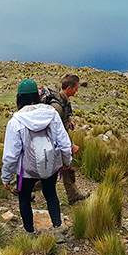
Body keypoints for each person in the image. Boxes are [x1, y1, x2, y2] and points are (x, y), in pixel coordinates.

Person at [1, 79, 72, 237]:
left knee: (24, 199)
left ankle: (29, 232)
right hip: (51, 165)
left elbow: (11, 156)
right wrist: (66, 161)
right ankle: (58, 228)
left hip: (26, 171)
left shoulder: (16, 121)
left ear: (19, 98)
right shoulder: (51, 113)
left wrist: (6, 177)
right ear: (37, 96)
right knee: (51, 193)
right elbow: (64, 142)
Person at [48, 74, 89, 205]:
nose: (77, 91)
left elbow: (64, 118)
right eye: (76, 88)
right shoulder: (57, 107)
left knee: (66, 169)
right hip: (56, 145)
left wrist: (69, 121)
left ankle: (73, 196)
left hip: (61, 143)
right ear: (69, 88)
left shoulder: (64, 100)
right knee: (49, 174)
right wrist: (70, 146)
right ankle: (23, 188)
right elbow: (55, 132)